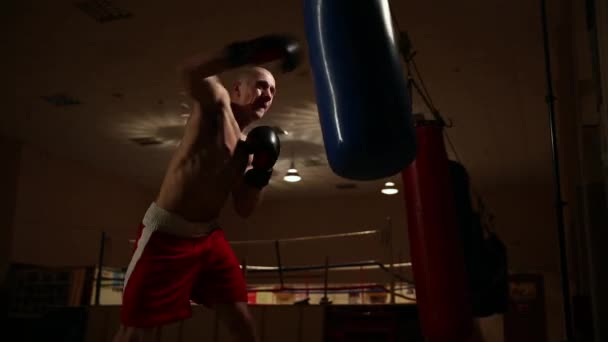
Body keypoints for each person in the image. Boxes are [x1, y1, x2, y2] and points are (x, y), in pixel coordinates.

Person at [112, 35, 301, 342]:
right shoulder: (217, 104)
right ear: (237, 88)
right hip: (167, 238)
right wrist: (247, 52)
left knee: (243, 324)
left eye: (273, 90)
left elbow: (244, 208)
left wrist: (261, 172)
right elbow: (188, 71)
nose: (268, 94)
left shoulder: (247, 150)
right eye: (262, 85)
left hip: (209, 240)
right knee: (134, 331)